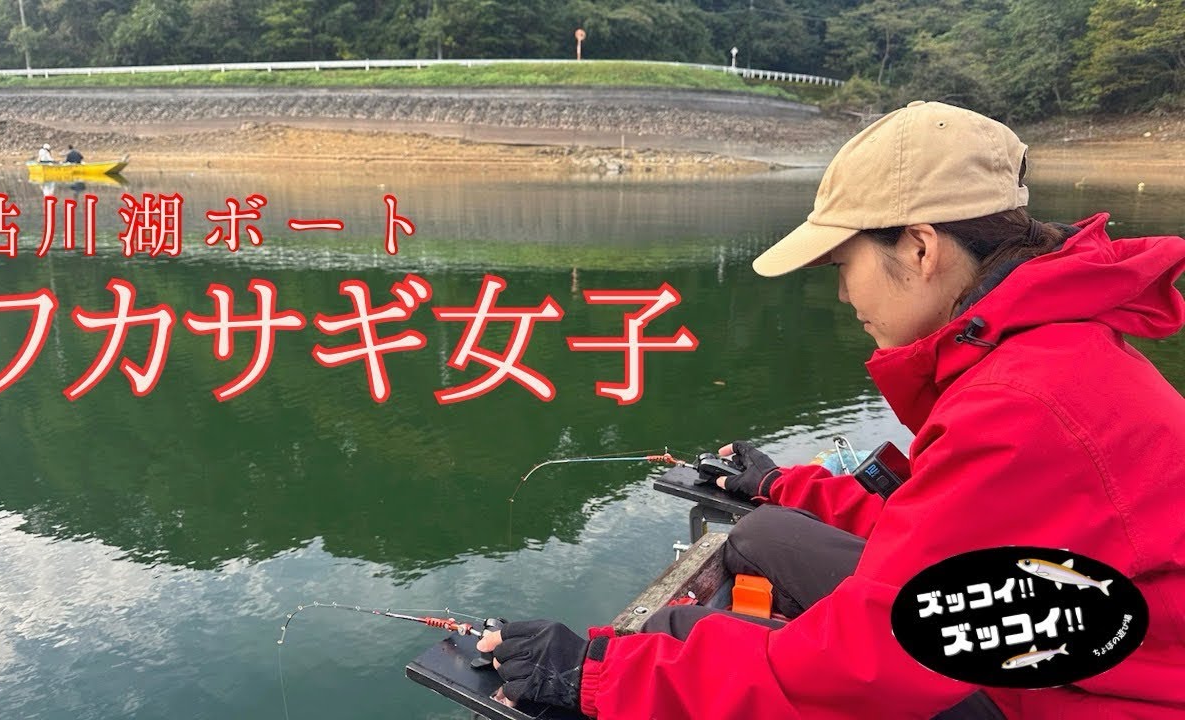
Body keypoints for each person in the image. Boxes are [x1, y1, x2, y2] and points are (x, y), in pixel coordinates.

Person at [475, 101, 1185, 719]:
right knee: (765, 534)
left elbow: (867, 667)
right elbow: (934, 531)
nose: (846, 297)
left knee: (676, 636)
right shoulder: (1039, 356)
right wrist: (777, 485)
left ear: (918, 246)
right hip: (1042, 657)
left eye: (845, 266)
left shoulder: (1019, 403)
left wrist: (592, 675)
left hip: (1067, 701)